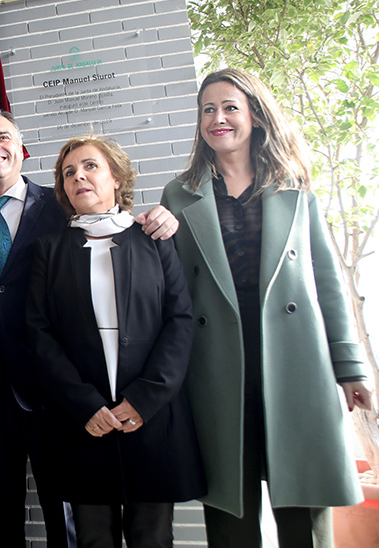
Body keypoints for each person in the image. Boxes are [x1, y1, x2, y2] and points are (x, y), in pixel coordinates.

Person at [161, 68, 373, 548]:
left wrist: (350, 367)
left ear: (254, 114)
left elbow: (326, 282)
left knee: (303, 510)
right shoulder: (180, 193)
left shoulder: (294, 184)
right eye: (208, 109)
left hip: (296, 362)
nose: (218, 118)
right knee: (231, 519)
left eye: (230, 107)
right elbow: (171, 292)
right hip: (217, 367)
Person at [0, 107, 181, 547]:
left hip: (54, 392)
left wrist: (164, 218)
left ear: (20, 147)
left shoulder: (61, 205)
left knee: (72, 520)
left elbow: (114, 227)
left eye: (2, 136)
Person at [26, 136, 205, 548]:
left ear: (117, 178)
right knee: (93, 539)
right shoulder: (48, 251)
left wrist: (145, 398)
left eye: (90, 167)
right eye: (69, 173)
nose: (78, 177)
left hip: (151, 417)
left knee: (152, 537)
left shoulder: (154, 239)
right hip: (84, 422)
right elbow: (39, 333)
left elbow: (179, 321)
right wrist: (84, 404)